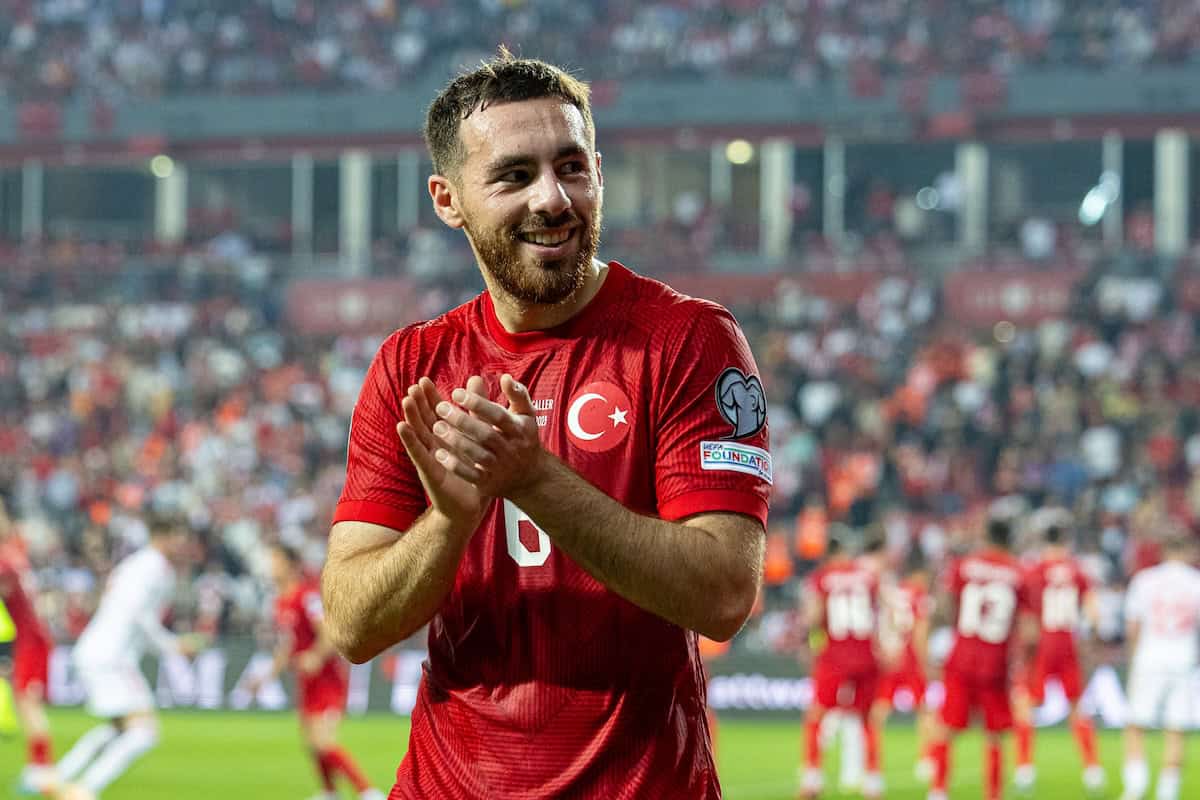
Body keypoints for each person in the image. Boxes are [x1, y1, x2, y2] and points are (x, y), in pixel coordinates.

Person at [321, 50, 771, 799]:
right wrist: (449, 523)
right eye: (514, 175)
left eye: (572, 167)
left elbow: (724, 594)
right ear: (448, 198)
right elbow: (353, 625)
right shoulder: (412, 365)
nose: (553, 198)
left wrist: (533, 479)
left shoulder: (687, 340)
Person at [53, 513, 203, 800]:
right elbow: (138, 615)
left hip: (98, 650)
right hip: (112, 657)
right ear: (165, 536)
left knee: (119, 728)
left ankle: (58, 776)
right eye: (181, 537)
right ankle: (83, 790)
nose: (185, 545)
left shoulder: (136, 564)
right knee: (144, 732)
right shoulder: (154, 568)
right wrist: (172, 645)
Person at [247, 544, 383, 800]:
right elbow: (288, 645)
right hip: (307, 680)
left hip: (327, 679)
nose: (270, 566)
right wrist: (266, 677)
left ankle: (368, 791)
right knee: (311, 742)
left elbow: (330, 634)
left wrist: (315, 656)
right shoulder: (280, 600)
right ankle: (330, 792)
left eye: (274, 559)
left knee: (323, 741)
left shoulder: (306, 596)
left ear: (289, 564)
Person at [926, 516, 1030, 800]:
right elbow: (1030, 629)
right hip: (996, 662)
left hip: (962, 656)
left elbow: (945, 606)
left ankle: (938, 791)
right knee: (995, 733)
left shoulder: (964, 566)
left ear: (986, 536)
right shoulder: (1018, 573)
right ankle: (993, 795)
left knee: (945, 726)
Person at [1012, 520, 1104, 794]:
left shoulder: (1034, 571)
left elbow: (1025, 616)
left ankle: (1025, 770)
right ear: (1065, 541)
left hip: (1041, 643)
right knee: (1077, 707)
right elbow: (1094, 614)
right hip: (1067, 643)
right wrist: (1089, 638)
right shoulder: (1077, 571)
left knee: (1025, 704)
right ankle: (1092, 770)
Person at [799, 533, 883, 799]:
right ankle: (873, 783)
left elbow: (814, 617)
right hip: (866, 654)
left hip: (834, 656)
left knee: (816, 716)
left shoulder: (822, 578)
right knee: (868, 719)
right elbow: (879, 615)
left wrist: (811, 644)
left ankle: (812, 780)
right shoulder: (868, 577)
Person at [1119, 533, 1200, 800]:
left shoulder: (1145, 580)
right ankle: (1168, 793)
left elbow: (1133, 626)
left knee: (1135, 725)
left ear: (1164, 551)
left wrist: (1134, 657)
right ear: (1188, 550)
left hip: (1150, 658)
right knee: (1176, 729)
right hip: (1184, 661)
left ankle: (1135, 787)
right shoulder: (1195, 582)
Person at [0, 499, 55, 793]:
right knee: (26, 704)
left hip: (30, 640)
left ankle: (42, 771)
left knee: (29, 705)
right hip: (31, 637)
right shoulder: (13, 554)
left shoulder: (4, 561)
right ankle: (39, 770)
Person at [871, 551, 934, 782]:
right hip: (910, 658)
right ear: (921, 574)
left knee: (877, 712)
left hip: (890, 658)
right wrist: (925, 662)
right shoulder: (920, 595)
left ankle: (870, 763)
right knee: (925, 711)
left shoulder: (895, 592)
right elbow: (920, 632)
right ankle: (926, 760)